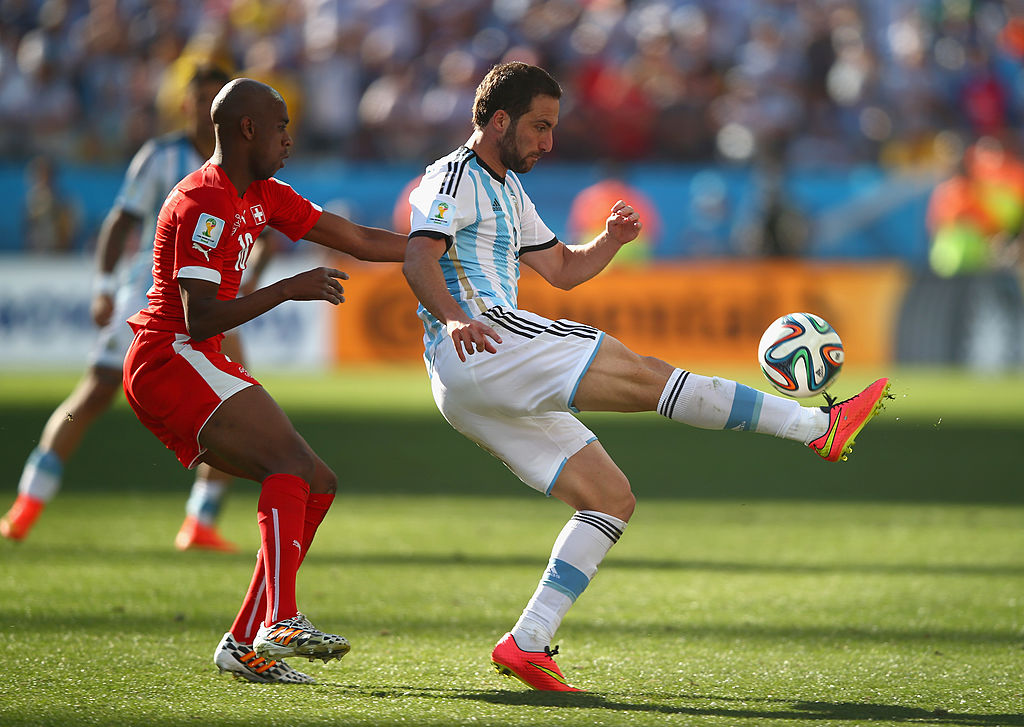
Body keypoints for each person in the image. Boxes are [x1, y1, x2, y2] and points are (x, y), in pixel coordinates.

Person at [402, 62, 892, 693]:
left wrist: (610, 241)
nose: (549, 141)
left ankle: (527, 642)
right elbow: (419, 256)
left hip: (470, 380)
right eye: (539, 126)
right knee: (650, 376)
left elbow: (563, 270)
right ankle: (816, 426)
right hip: (487, 341)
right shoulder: (452, 176)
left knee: (609, 499)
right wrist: (453, 318)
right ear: (499, 121)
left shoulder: (510, 191)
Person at [121, 77, 406, 684]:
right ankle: (281, 619)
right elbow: (199, 318)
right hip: (170, 356)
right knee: (289, 464)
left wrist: (440, 250)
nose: (288, 139)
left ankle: (245, 642)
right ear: (247, 129)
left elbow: (357, 239)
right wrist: (286, 289)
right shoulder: (202, 200)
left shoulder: (263, 194)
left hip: (194, 356)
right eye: (280, 127)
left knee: (317, 482)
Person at [1, 66, 252, 552]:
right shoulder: (160, 156)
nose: (206, 109)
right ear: (185, 104)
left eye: (215, 99)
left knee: (237, 405)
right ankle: (26, 504)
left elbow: (260, 232)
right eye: (199, 98)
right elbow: (122, 220)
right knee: (96, 391)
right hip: (149, 296)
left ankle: (200, 522)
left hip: (211, 302)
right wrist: (103, 287)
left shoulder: (244, 164)